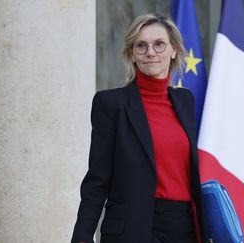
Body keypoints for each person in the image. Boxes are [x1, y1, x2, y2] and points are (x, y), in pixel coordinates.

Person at [71, 13, 208, 243]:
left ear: (173, 50)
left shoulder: (185, 100)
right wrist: (82, 237)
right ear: (132, 54)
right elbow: (98, 179)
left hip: (183, 228)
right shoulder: (110, 104)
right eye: (141, 46)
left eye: (159, 44)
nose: (150, 52)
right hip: (132, 229)